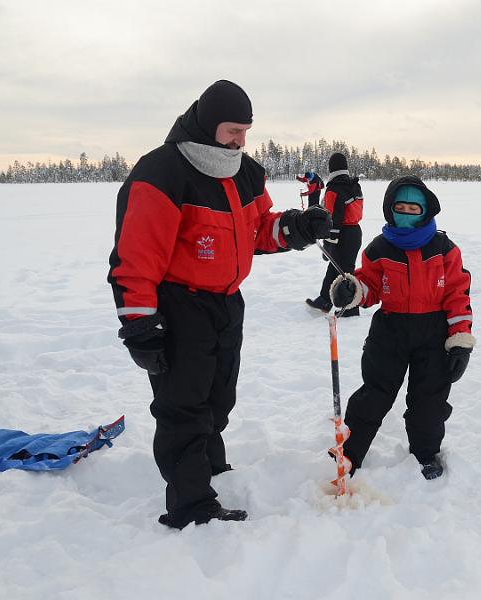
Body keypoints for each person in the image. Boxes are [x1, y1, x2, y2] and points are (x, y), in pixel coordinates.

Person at [107, 80, 332, 529]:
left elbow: (259, 230)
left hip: (227, 302)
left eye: (246, 131)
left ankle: (209, 467)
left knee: (218, 398)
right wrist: (139, 323)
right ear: (210, 124)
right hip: (178, 305)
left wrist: (297, 227)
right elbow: (136, 256)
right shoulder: (163, 171)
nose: (241, 140)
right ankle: (191, 506)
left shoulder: (245, 170)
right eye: (233, 130)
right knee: (183, 406)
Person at [329, 176, 474, 479]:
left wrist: (459, 340)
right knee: (375, 394)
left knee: (429, 401)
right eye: (400, 207)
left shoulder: (445, 249)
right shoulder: (379, 248)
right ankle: (350, 452)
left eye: (413, 207)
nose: (407, 212)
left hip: (433, 332)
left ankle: (425, 453)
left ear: (426, 210)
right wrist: (351, 290)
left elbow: (457, 295)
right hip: (390, 330)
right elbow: (369, 286)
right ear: (389, 209)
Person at [305, 152, 364, 317]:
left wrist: (329, 243)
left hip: (342, 233)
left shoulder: (334, 189)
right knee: (336, 267)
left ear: (331, 169)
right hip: (354, 232)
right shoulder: (354, 185)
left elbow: (333, 219)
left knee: (344, 271)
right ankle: (324, 300)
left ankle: (350, 309)